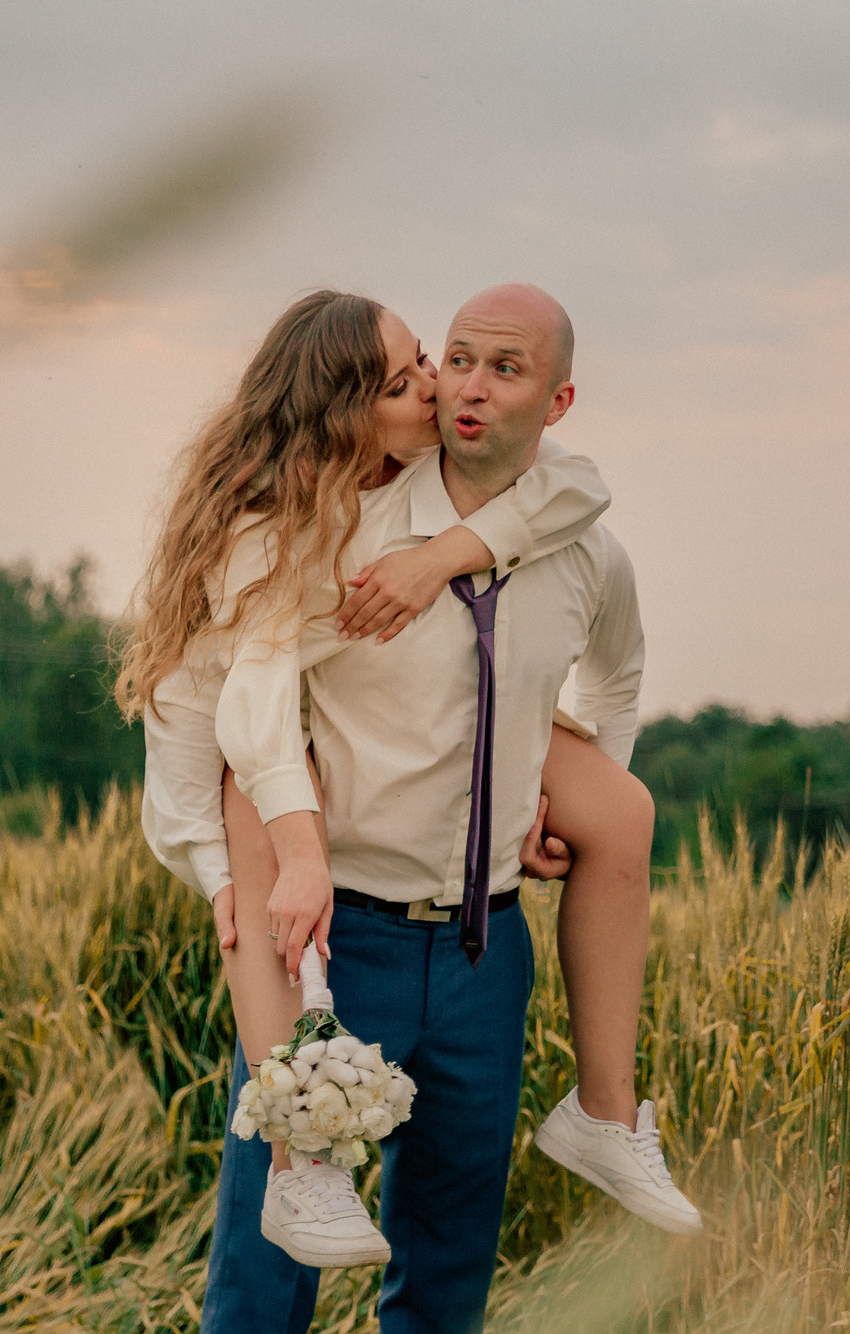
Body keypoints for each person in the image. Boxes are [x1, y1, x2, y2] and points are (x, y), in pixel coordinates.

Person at [120, 287, 698, 1329]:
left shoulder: (576, 537)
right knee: (265, 1276)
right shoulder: (331, 534)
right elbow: (217, 713)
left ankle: (606, 1111)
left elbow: (616, 671)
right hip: (343, 929)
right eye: (432, 367)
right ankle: (299, 1148)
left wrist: (548, 801)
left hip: (485, 944)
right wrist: (230, 871)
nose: (449, 385)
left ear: (556, 399)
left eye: (486, 366)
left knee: (447, 1267)